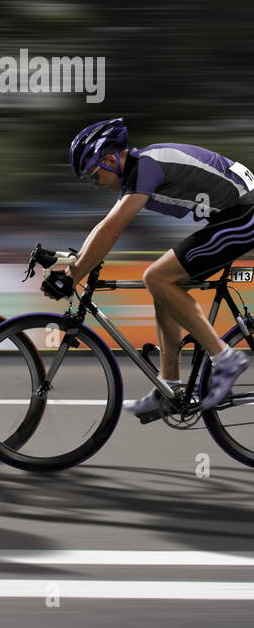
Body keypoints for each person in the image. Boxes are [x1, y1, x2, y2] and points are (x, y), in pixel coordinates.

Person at [44, 118, 252, 418]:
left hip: (245, 212)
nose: (96, 183)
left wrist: (73, 275)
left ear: (111, 159)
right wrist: (73, 262)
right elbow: (105, 229)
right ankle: (169, 386)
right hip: (233, 213)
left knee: (157, 277)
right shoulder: (138, 173)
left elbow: (111, 230)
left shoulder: (146, 167)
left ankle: (226, 359)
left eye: (93, 174)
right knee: (163, 287)